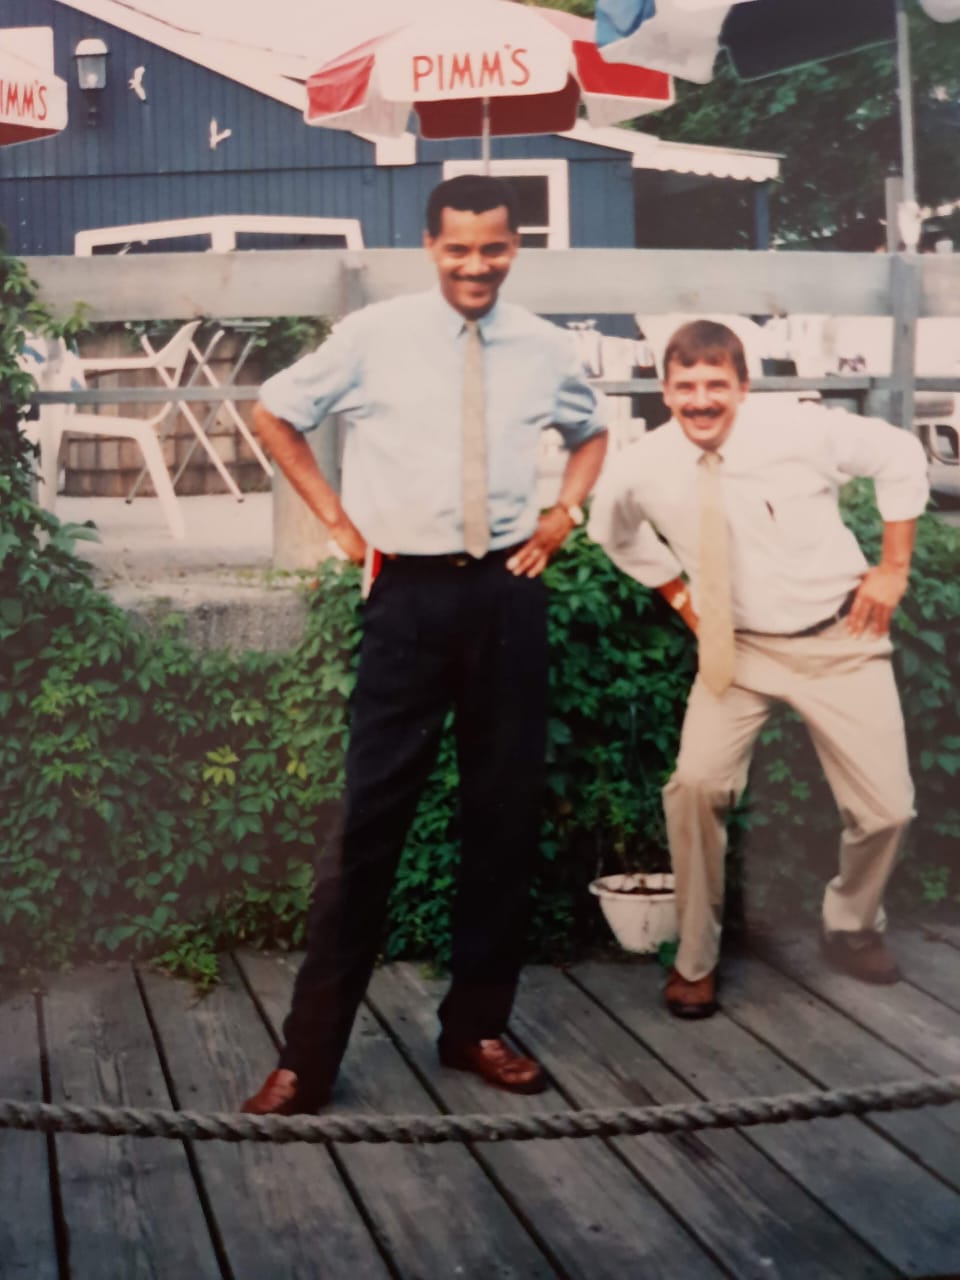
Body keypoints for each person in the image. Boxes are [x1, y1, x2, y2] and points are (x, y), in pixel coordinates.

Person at [241, 175, 607, 1113]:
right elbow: (272, 411)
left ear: (515, 246)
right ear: (430, 247)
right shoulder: (375, 336)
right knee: (367, 829)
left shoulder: (544, 347)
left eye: (494, 248)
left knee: (502, 819)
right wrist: (337, 523)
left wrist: (564, 513)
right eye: (459, 249)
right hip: (405, 597)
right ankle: (307, 1058)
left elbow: (592, 433)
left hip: (506, 593)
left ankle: (476, 1028)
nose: (476, 266)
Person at [588, 319, 928, 1020]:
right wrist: (679, 595)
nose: (701, 400)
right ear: (664, 391)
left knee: (887, 809)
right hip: (735, 651)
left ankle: (851, 923)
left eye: (716, 384)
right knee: (695, 786)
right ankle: (694, 959)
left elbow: (898, 453)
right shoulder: (641, 465)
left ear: (743, 386)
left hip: (839, 640)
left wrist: (893, 568)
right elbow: (611, 532)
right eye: (686, 386)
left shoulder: (798, 431)